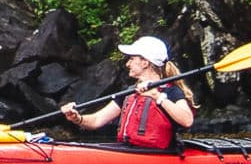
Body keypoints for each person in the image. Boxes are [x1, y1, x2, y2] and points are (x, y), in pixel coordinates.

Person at [61, 35, 196, 150]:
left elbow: (187, 120)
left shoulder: (171, 91)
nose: (127, 64)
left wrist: (157, 96)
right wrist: (78, 118)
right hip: (129, 150)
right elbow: (97, 120)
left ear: (145, 63)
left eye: (131, 59)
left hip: (156, 155)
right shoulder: (130, 92)